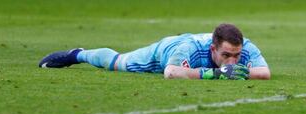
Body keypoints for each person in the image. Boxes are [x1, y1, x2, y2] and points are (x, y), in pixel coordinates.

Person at [39, 23, 271, 80]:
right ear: (213, 48)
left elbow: (265, 72)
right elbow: (171, 72)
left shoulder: (245, 47)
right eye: (226, 55)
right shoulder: (188, 49)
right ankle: (77, 54)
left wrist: (232, 68)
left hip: (184, 53)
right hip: (163, 52)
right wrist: (216, 73)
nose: (233, 60)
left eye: (236, 55)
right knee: (118, 62)